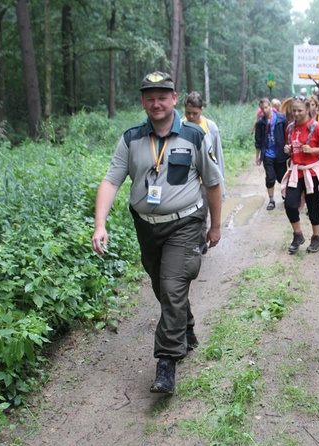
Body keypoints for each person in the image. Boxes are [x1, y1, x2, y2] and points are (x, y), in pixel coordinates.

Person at [91, 71, 223, 395]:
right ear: (142, 101)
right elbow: (111, 181)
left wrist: (215, 225)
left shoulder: (195, 136)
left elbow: (213, 183)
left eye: (162, 96)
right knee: (163, 288)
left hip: (186, 224)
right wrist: (100, 224)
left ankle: (166, 361)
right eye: (150, 97)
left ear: (174, 98)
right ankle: (185, 326)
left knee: (173, 285)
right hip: (147, 227)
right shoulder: (131, 138)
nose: (156, 103)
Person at [280, 95, 319, 254]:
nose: (296, 113)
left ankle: (316, 238)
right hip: (296, 172)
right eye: (293, 110)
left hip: (312, 173)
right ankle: (298, 235)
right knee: (289, 204)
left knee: (314, 206)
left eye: (299, 110)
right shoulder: (290, 128)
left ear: (308, 110)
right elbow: (288, 145)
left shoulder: (316, 127)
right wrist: (287, 149)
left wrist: (314, 150)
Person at [184, 91, 225, 254]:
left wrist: (220, 181)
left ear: (201, 110)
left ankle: (199, 245)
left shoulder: (210, 127)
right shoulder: (181, 125)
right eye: (188, 113)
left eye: (195, 113)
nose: (191, 116)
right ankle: (196, 245)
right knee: (193, 214)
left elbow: (217, 154)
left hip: (206, 179)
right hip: (190, 179)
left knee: (203, 212)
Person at [255, 97, 290, 211]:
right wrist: (258, 156)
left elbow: (288, 134)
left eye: (266, 107)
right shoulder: (260, 123)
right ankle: (271, 200)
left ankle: (287, 197)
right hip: (268, 154)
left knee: (282, 177)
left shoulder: (281, 118)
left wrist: (290, 150)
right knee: (270, 177)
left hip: (280, 152)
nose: (264, 110)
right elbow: (258, 140)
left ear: (270, 106)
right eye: (262, 108)